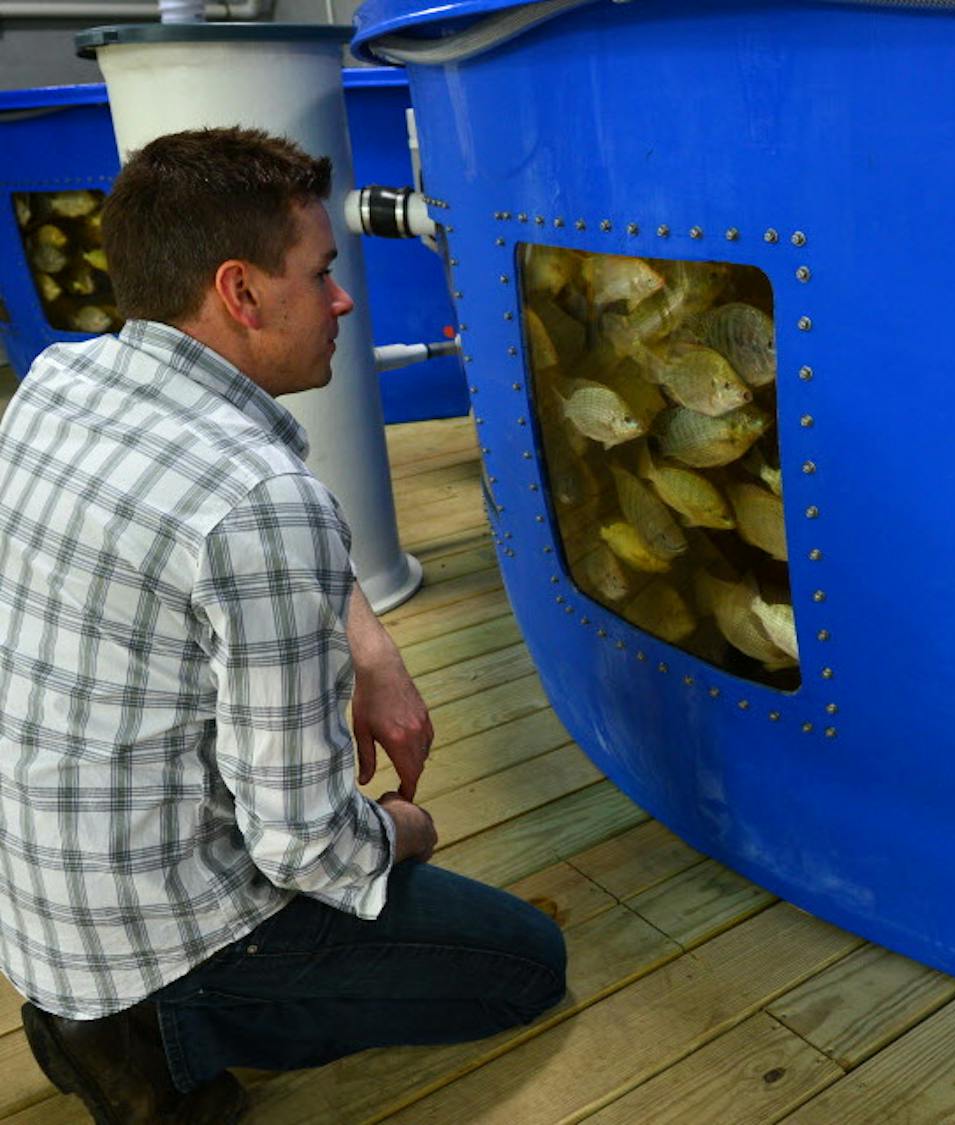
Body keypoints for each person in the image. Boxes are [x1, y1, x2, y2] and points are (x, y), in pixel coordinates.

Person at [0, 127, 566, 1124]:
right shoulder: (255, 500)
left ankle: (84, 1029)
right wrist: (405, 829)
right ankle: (165, 1045)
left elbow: (255, 525)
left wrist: (374, 648)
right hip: (158, 950)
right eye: (321, 272)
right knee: (524, 963)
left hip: (47, 916)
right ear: (242, 292)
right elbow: (304, 847)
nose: (342, 299)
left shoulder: (61, 379)